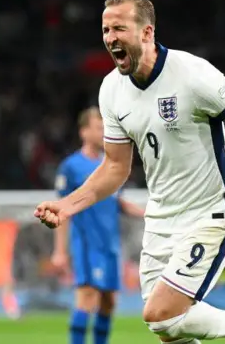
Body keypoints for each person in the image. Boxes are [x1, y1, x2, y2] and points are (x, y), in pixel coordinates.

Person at [35, 0, 225, 344]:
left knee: (161, 315)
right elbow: (114, 167)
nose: (110, 38)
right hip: (160, 218)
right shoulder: (111, 90)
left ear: (146, 33)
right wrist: (66, 206)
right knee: (170, 331)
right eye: (106, 29)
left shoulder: (193, 75)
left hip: (208, 213)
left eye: (119, 28)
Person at [53, 107, 144, 344]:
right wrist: (60, 251)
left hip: (110, 244)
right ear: (84, 132)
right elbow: (61, 209)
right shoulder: (71, 166)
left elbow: (117, 201)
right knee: (87, 296)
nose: (103, 132)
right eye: (98, 127)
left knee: (109, 301)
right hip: (86, 243)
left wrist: (147, 213)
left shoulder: (111, 166)